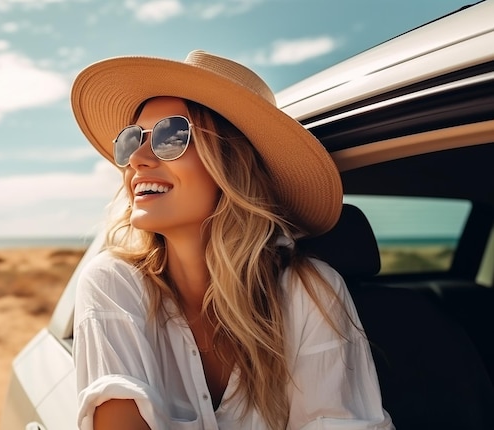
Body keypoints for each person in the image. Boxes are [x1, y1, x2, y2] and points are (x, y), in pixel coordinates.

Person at [70, 50, 394, 430]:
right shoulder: (113, 283)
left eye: (170, 136)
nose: (137, 159)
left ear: (232, 162)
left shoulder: (310, 292)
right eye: (132, 140)